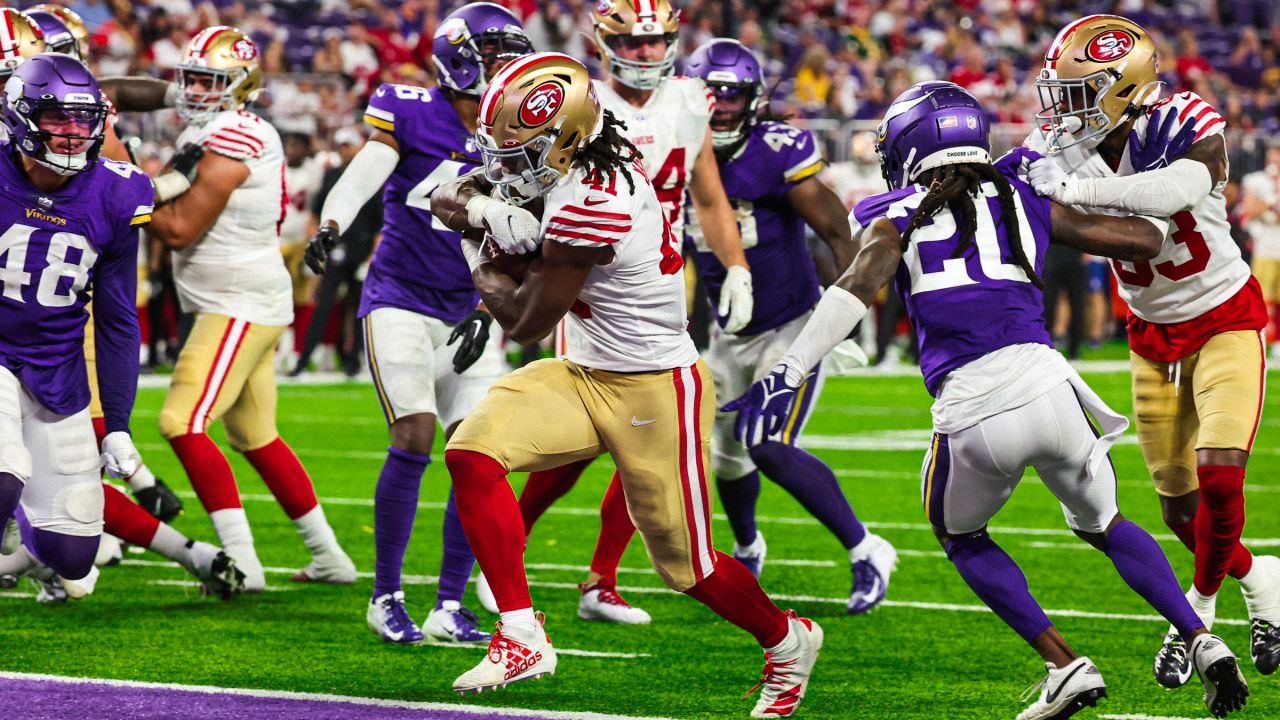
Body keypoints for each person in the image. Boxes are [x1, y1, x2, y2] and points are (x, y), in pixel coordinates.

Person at [727, 80, 1249, 720]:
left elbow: (855, 287)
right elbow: (1143, 242)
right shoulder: (1023, 195)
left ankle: (1065, 666)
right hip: (1054, 390)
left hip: (973, 406)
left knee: (959, 532)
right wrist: (1090, 186)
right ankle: (1203, 640)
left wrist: (787, 369)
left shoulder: (893, 213)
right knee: (1106, 525)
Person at [432, 52, 822, 718]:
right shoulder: (564, 159)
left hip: (656, 387)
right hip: (584, 371)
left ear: (568, 139)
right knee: (472, 454)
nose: (504, 165)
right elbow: (444, 191)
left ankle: (789, 641)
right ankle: (521, 634)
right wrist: (485, 213)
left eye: (518, 152)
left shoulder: (594, 198)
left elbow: (525, 322)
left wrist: (481, 253)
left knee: (686, 565)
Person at [1026, 14, 1280, 686]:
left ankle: (1195, 612)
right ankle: (1261, 579)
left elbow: (1174, 194)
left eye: (1080, 92)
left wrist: (1071, 190)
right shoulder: (1064, 147)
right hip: (1150, 334)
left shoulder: (1185, 121)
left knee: (1222, 477)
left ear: (1125, 87)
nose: (1065, 109)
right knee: (1178, 508)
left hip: (1223, 314)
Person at [504, 0, 754, 628]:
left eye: (658, 41)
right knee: (577, 446)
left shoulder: (690, 99)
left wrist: (738, 265)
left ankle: (601, 581)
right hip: (587, 277)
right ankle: (504, 555)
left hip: (660, 276)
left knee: (646, 436)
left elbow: (708, 192)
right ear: (603, 41)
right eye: (634, 43)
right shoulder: (577, 102)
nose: (647, 54)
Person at [306, 2, 532, 645]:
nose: (503, 69)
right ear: (458, 57)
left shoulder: (523, 127)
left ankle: (449, 603)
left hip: (471, 310)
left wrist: (494, 311)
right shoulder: (407, 106)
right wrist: (333, 220)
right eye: (491, 57)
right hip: (401, 296)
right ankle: (386, 595)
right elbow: (369, 168)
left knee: (478, 454)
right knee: (414, 433)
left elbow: (525, 239)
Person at [682, 38, 895, 613]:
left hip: (792, 326)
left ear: (753, 100)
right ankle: (748, 546)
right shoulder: (670, 152)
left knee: (767, 444)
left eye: (734, 95)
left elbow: (837, 232)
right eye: (712, 95)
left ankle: (867, 549)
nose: (722, 106)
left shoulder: (778, 149)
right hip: (728, 332)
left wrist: (846, 319)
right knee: (727, 458)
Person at [147, 26, 354, 593]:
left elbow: (181, 229)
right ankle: (330, 556)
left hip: (237, 302)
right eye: (188, 77)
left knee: (180, 421)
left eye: (206, 80)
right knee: (255, 435)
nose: (192, 89)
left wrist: (120, 185)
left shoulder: (235, 130)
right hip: (237, 298)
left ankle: (241, 561)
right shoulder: (211, 125)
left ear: (238, 86)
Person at [0, 54, 151, 593]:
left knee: (72, 555)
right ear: (20, 117)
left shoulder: (118, 191)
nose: (71, 134)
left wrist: (118, 424)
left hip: (57, 372)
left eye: (82, 121)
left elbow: (115, 319)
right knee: (4, 468)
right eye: (57, 119)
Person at [293, 127, 379, 377]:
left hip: (360, 250)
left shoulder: (373, 176)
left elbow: (380, 222)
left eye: (348, 145)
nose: (344, 149)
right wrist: (314, 242)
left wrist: (372, 257)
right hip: (334, 247)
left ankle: (353, 361)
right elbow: (316, 212)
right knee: (324, 305)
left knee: (358, 308)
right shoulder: (331, 175)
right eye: (341, 145)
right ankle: (304, 359)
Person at [1240, 143, 1280, 357]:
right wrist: (1271, 201)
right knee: (1264, 297)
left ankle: (1277, 343)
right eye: (1272, 157)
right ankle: (1264, 338)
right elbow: (1251, 209)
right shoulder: (1256, 180)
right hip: (1266, 245)